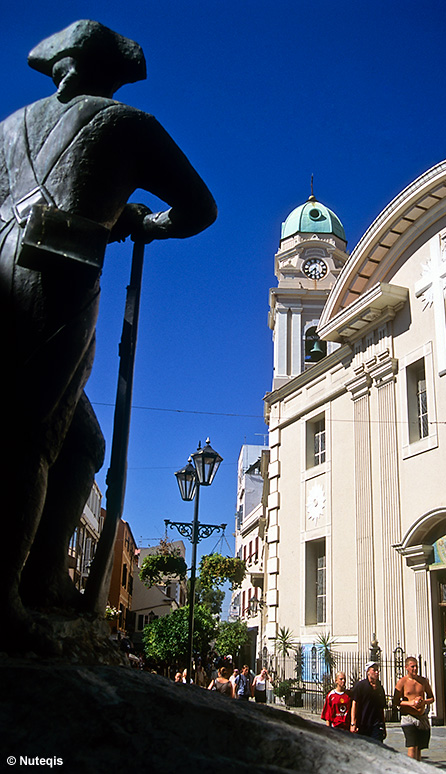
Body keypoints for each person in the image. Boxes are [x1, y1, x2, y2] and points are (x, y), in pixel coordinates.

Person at [0, 19, 217, 652]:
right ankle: (7, 601)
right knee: (32, 436)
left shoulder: (8, 129)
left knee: (81, 444)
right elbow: (199, 208)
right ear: (109, 76)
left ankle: (43, 581)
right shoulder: (127, 126)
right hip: (56, 285)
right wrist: (146, 223)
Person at [393, 657, 435, 761]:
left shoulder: (423, 681)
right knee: (412, 745)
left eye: (416, 666)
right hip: (408, 717)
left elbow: (432, 698)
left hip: (421, 717)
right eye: (412, 667)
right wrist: (410, 703)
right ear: (406, 667)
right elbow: (395, 702)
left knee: (419, 747)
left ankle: (417, 767)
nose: (415, 669)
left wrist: (423, 702)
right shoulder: (402, 682)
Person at [350, 662, 387, 741]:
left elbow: (381, 708)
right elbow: (354, 704)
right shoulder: (361, 686)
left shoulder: (379, 688)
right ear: (368, 672)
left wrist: (383, 726)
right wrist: (353, 722)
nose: (377, 672)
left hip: (376, 724)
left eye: (377, 670)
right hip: (363, 723)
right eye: (374, 670)